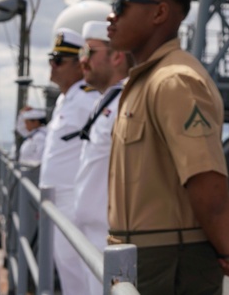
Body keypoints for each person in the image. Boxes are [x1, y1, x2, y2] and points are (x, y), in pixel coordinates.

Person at [105, 0, 229, 295]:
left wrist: (227, 249)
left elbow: (209, 189)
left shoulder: (174, 80)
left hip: (172, 265)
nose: (111, 16)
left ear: (159, 13)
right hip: (140, 258)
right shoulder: (145, 81)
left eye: (120, 5)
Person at [72, 18, 130, 295]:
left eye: (89, 53)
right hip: (90, 236)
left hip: (109, 240)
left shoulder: (127, 101)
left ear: (116, 55)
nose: (82, 61)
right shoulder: (106, 99)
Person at [39, 27, 97, 295]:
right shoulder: (66, 99)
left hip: (73, 203)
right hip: (56, 204)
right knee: (66, 271)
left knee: (79, 276)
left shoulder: (89, 99)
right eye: (52, 59)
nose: (53, 65)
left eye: (59, 61)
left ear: (79, 64)